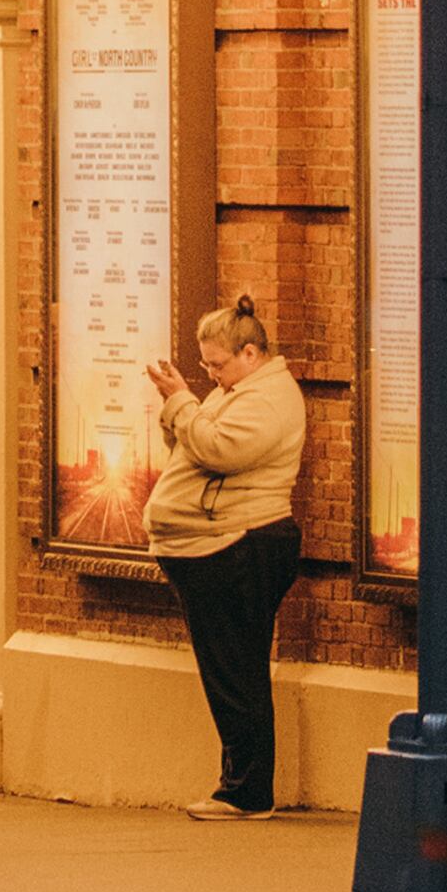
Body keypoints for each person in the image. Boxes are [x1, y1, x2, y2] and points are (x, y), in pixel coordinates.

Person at [144, 299, 307, 818]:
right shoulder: (238, 391)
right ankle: (241, 785)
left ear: (252, 352)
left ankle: (245, 791)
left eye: (218, 364)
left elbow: (218, 450)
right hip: (219, 545)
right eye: (206, 366)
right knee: (236, 671)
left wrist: (180, 403)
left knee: (235, 674)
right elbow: (192, 446)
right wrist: (182, 408)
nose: (211, 374)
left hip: (237, 546)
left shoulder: (268, 399)